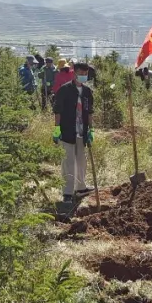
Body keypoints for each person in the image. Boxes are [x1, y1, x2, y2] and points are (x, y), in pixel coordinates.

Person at [52, 62, 94, 203]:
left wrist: (91, 130)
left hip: (82, 132)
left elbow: (89, 112)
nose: (83, 76)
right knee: (68, 162)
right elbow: (58, 111)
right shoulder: (64, 90)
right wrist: (57, 128)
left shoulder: (87, 92)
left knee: (82, 161)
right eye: (81, 74)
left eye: (85, 74)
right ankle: (67, 193)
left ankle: (80, 187)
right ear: (74, 73)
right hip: (67, 131)